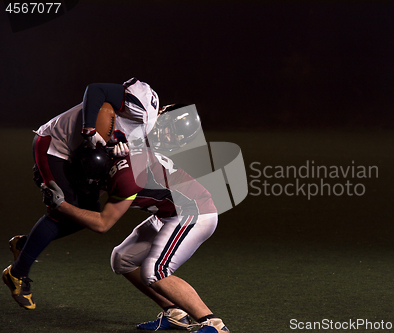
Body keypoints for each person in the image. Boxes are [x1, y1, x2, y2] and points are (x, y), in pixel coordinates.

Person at [2, 78, 159, 310]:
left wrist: (115, 150)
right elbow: (95, 89)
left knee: (88, 213)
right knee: (60, 208)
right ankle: (17, 273)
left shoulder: (142, 130)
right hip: (53, 147)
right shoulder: (127, 104)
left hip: (77, 157)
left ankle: (26, 244)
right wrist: (88, 128)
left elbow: (112, 149)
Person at [41, 140, 229, 332]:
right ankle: (175, 313)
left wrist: (61, 205)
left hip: (194, 211)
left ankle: (213, 324)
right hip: (169, 213)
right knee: (123, 259)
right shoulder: (116, 157)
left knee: (156, 271)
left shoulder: (125, 177)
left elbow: (102, 223)